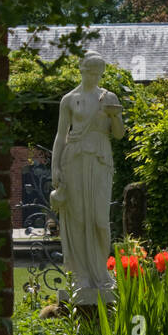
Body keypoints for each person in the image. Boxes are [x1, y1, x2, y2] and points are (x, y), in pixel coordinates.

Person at [50, 53, 126, 305]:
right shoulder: (69, 100)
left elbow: (119, 134)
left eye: (98, 72)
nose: (93, 76)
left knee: (99, 220)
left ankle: (102, 272)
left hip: (100, 160)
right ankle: (81, 275)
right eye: (89, 70)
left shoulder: (109, 98)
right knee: (78, 218)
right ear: (81, 69)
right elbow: (61, 136)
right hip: (73, 160)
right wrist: (55, 169)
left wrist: (114, 115)